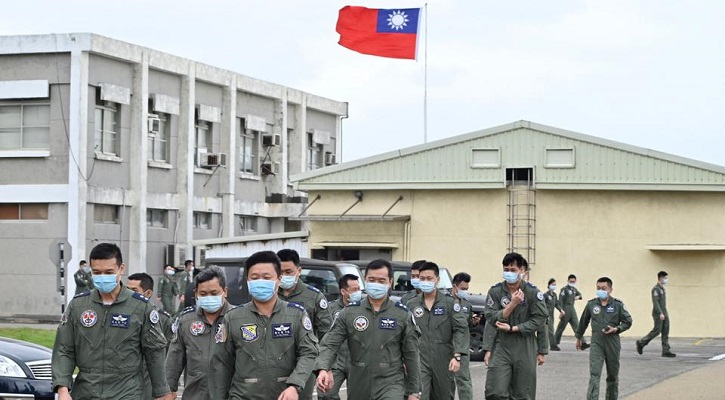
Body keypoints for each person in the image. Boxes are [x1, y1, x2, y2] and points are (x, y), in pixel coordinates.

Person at [51, 243, 171, 400]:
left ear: (121, 269)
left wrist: (162, 392)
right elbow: (64, 349)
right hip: (86, 391)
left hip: (127, 391)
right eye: (97, 272)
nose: (102, 277)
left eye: (108, 272)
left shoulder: (141, 307)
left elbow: (154, 353)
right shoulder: (78, 305)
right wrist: (62, 389)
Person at [209, 251, 319, 400]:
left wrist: (295, 385)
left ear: (278, 280)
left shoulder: (296, 315)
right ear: (247, 280)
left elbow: (309, 353)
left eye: (267, 277)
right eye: (254, 278)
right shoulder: (233, 318)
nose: (260, 282)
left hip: (285, 395)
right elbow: (220, 364)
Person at [316, 259, 422, 400]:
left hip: (391, 382)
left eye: (381, 280)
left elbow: (412, 354)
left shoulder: (402, 315)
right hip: (359, 382)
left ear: (390, 282)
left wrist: (414, 392)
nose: (376, 284)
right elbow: (330, 343)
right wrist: (323, 368)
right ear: (365, 280)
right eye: (372, 279)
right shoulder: (349, 313)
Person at [483, 252, 548, 400]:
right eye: (506, 269)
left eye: (513, 270)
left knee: (523, 393)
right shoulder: (495, 291)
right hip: (501, 345)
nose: (509, 273)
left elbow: (540, 320)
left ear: (522, 271)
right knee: (495, 391)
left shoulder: (533, 293)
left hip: (525, 345)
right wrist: (512, 304)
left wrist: (542, 350)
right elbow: (491, 319)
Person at [166, 266, 234, 400]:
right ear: (196, 293)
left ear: (224, 292)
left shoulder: (237, 319)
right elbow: (174, 358)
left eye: (214, 293)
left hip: (230, 394)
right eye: (203, 294)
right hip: (195, 394)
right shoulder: (186, 321)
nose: (209, 297)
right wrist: (169, 389)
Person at [405, 261, 468, 400]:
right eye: (422, 279)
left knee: (444, 395)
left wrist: (457, 356)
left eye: (429, 279)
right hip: (419, 359)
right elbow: (405, 334)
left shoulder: (450, 303)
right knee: (419, 395)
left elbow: (460, 329)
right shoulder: (411, 304)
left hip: (443, 359)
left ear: (437, 280)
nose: (425, 282)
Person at [277, 248, 333, 400]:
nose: (284, 276)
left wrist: (325, 367)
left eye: (289, 271)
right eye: (280, 273)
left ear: (299, 270)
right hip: (274, 363)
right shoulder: (270, 296)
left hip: (304, 363)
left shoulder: (313, 297)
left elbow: (326, 335)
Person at [575, 277, 633, 400]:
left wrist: (616, 329)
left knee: (612, 375)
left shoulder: (618, 305)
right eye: (598, 288)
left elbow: (628, 321)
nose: (600, 291)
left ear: (610, 290)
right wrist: (579, 337)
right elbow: (583, 322)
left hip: (612, 343)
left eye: (603, 288)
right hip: (597, 343)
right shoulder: (591, 304)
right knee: (594, 374)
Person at [127, 272, 174, 400]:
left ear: (147, 294)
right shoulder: (120, 318)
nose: (129, 294)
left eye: (134, 290)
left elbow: (169, 354)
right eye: (127, 290)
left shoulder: (163, 320)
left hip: (149, 382)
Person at [318, 274, 362, 400]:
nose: (358, 292)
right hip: (336, 361)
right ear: (343, 291)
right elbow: (323, 335)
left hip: (357, 361)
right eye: (354, 290)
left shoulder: (364, 309)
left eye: (359, 289)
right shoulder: (330, 309)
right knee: (326, 394)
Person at [451, 272, 481, 400]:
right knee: (444, 381)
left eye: (466, 289)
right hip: (446, 345)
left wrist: (474, 322)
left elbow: (467, 326)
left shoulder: (467, 305)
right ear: (454, 286)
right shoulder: (444, 302)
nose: (465, 292)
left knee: (463, 379)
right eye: (462, 289)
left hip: (462, 347)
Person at [636, 271, 675, 357]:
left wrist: (664, 313)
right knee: (657, 330)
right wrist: (660, 313)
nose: (666, 280)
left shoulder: (662, 289)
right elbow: (655, 302)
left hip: (664, 312)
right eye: (665, 278)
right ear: (660, 278)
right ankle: (641, 343)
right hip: (658, 313)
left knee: (665, 331)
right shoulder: (656, 289)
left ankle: (666, 350)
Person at [554, 274, 590, 350]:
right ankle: (554, 343)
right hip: (566, 309)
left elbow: (580, 295)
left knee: (577, 326)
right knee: (561, 327)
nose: (572, 282)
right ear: (568, 281)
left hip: (572, 309)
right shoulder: (564, 289)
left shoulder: (574, 289)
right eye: (571, 281)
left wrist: (577, 297)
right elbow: (560, 300)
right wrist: (561, 310)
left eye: (573, 281)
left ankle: (583, 342)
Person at [544, 278, 562, 351]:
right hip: (546, 315)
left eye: (555, 285)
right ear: (549, 285)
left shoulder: (554, 295)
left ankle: (543, 345)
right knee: (550, 331)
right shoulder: (545, 295)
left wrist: (561, 310)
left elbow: (556, 304)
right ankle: (553, 345)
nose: (554, 286)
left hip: (552, 315)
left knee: (549, 330)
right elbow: (542, 305)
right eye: (552, 285)